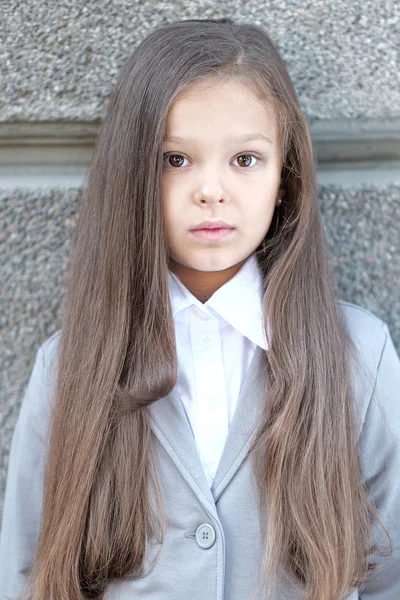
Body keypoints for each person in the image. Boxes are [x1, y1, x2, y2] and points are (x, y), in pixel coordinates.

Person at [0, 17, 399, 600]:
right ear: (134, 175)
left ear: (285, 178)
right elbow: (27, 574)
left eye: (245, 160)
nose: (211, 189)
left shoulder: (360, 356)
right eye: (175, 159)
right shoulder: (69, 367)